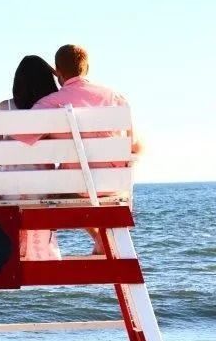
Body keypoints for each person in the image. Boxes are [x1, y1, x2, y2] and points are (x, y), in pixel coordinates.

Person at [15, 44, 140, 253]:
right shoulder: (115, 98)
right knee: (83, 183)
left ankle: (99, 237)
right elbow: (135, 145)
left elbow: (22, 137)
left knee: (65, 186)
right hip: (113, 184)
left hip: (75, 186)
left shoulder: (51, 103)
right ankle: (102, 239)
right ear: (87, 68)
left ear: (58, 73)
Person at [0, 55, 61, 261]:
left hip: (7, 192)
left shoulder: (3, 107)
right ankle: (40, 250)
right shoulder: (52, 110)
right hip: (41, 191)